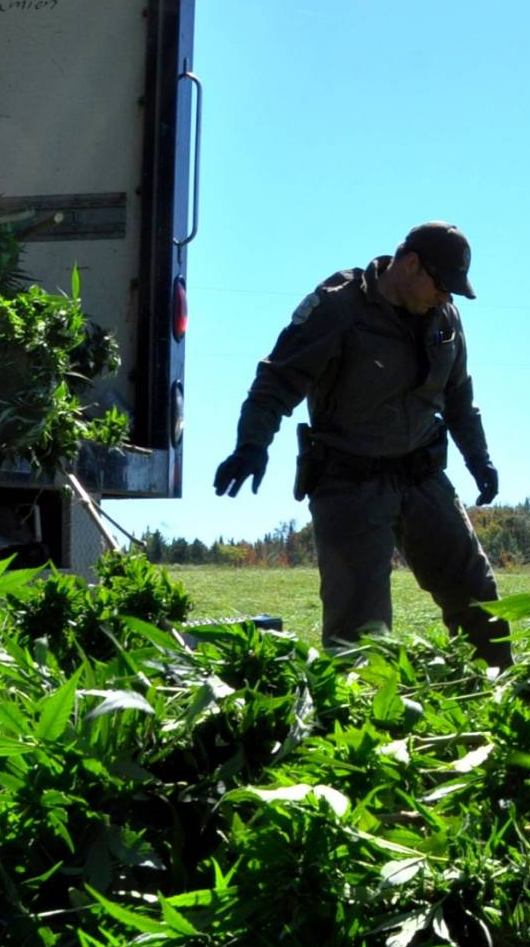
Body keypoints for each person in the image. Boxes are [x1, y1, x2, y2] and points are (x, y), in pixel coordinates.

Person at [213, 221, 510, 665]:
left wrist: (479, 460)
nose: (446, 297)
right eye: (442, 285)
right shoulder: (339, 307)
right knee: (360, 632)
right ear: (411, 264)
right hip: (350, 482)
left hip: (422, 475)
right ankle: (356, 724)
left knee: (479, 598)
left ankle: (498, 699)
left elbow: (460, 398)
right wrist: (251, 445)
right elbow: (276, 379)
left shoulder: (445, 318)